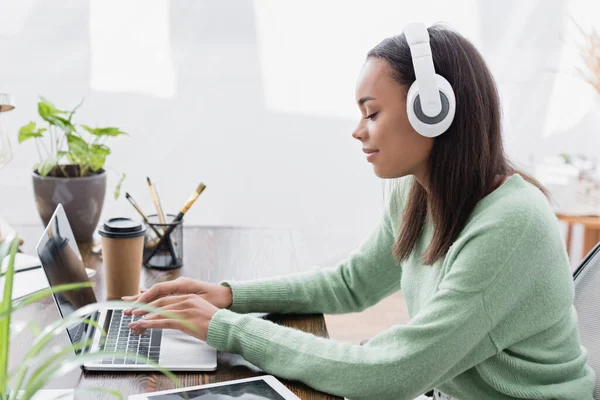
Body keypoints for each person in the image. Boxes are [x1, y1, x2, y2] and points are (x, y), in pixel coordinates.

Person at [124, 23, 595, 400]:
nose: (358, 130)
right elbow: (351, 283)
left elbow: (394, 375)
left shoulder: (513, 225)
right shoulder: (416, 192)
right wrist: (228, 295)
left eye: (371, 113)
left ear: (433, 111)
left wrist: (227, 329)